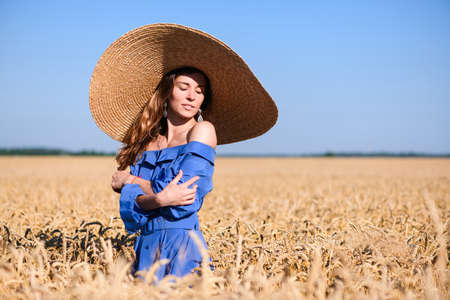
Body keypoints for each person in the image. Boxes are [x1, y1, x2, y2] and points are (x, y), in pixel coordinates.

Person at [89, 23, 278, 281]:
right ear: (167, 92)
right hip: (145, 249)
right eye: (184, 87)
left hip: (182, 248)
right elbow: (132, 211)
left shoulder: (202, 131)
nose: (192, 97)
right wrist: (158, 198)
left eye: (199, 92)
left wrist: (132, 182)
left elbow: (185, 200)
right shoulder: (147, 142)